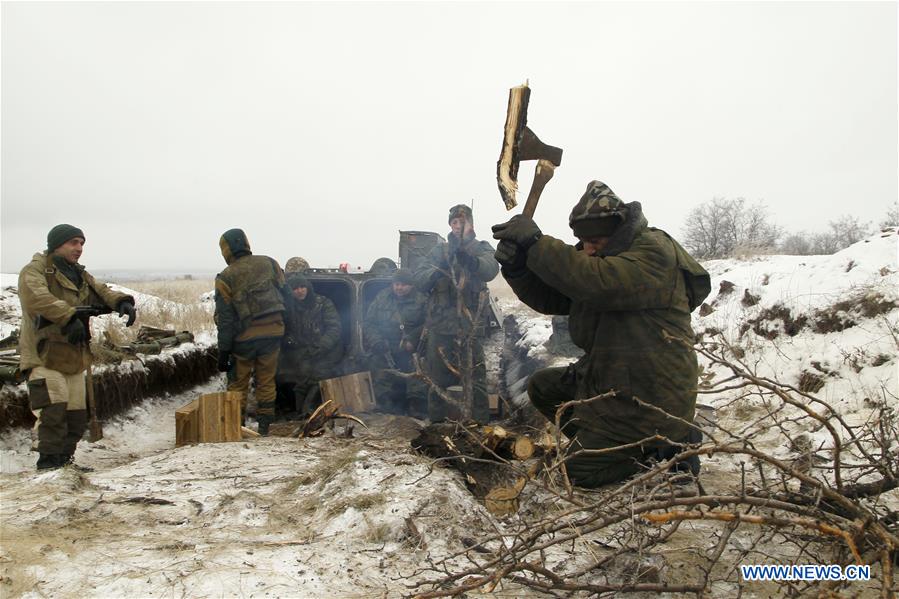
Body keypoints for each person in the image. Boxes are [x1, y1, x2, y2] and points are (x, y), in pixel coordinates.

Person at [491, 181, 711, 487]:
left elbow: (596, 282)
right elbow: (554, 296)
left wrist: (536, 243)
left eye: (594, 241)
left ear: (617, 232)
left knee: (570, 473)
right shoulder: (602, 256)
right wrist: (517, 269)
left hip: (651, 396)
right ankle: (605, 441)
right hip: (613, 381)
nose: (588, 249)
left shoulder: (653, 252)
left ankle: (655, 448)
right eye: (583, 242)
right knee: (543, 387)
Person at [18, 224, 137, 470]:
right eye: (73, 242)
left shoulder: (78, 274)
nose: (79, 248)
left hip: (72, 357)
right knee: (52, 413)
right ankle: (48, 467)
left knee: (76, 416)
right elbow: (37, 298)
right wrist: (69, 317)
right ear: (56, 244)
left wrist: (121, 302)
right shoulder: (35, 270)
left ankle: (65, 464)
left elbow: (100, 291)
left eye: (82, 243)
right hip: (43, 356)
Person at [414, 204, 498, 423]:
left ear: (471, 224)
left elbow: (490, 269)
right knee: (436, 379)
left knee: (475, 379)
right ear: (450, 225)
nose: (458, 226)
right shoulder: (439, 251)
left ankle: (479, 424)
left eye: (463, 222)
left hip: (470, 328)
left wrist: (472, 262)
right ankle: (437, 424)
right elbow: (419, 279)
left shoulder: (481, 248)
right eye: (454, 222)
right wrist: (436, 271)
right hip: (440, 326)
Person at [214, 229, 286, 436]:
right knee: (266, 382)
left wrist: (223, 353)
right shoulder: (270, 263)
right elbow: (286, 295)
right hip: (273, 334)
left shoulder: (225, 277)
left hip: (244, 341)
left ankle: (237, 426)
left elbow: (225, 320)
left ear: (226, 250)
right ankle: (264, 427)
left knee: (238, 384)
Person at [363, 268, 428, 418]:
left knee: (417, 377)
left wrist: (413, 339)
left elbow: (430, 323)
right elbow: (369, 323)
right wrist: (376, 341)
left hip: (413, 349)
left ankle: (415, 408)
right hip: (386, 347)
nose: (399, 288)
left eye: (403, 285)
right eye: (396, 284)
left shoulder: (421, 299)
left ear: (411, 285)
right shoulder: (382, 298)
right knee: (380, 371)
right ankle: (386, 407)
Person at [276, 273, 343, 417]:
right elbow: (283, 328)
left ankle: (310, 409)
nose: (300, 291)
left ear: (308, 287)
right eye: (295, 288)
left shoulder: (323, 303)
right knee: (301, 376)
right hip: (302, 350)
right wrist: (289, 340)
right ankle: (301, 412)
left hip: (326, 349)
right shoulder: (287, 307)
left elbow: (334, 328)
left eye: (302, 287)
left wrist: (321, 346)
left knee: (319, 375)